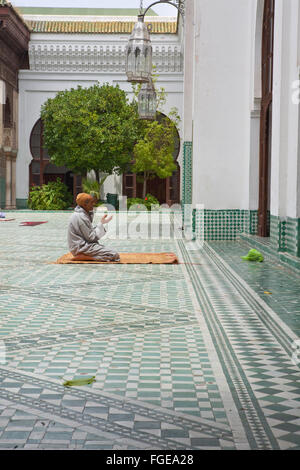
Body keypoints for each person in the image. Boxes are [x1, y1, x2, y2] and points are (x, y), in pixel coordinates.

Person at [68, 193, 120, 262]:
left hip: (80, 245)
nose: (94, 204)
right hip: (80, 247)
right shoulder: (81, 217)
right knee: (114, 255)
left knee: (109, 251)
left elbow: (89, 233)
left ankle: (86, 255)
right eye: (91, 202)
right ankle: (85, 257)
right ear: (84, 204)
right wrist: (101, 224)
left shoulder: (82, 214)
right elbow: (91, 237)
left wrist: (102, 223)